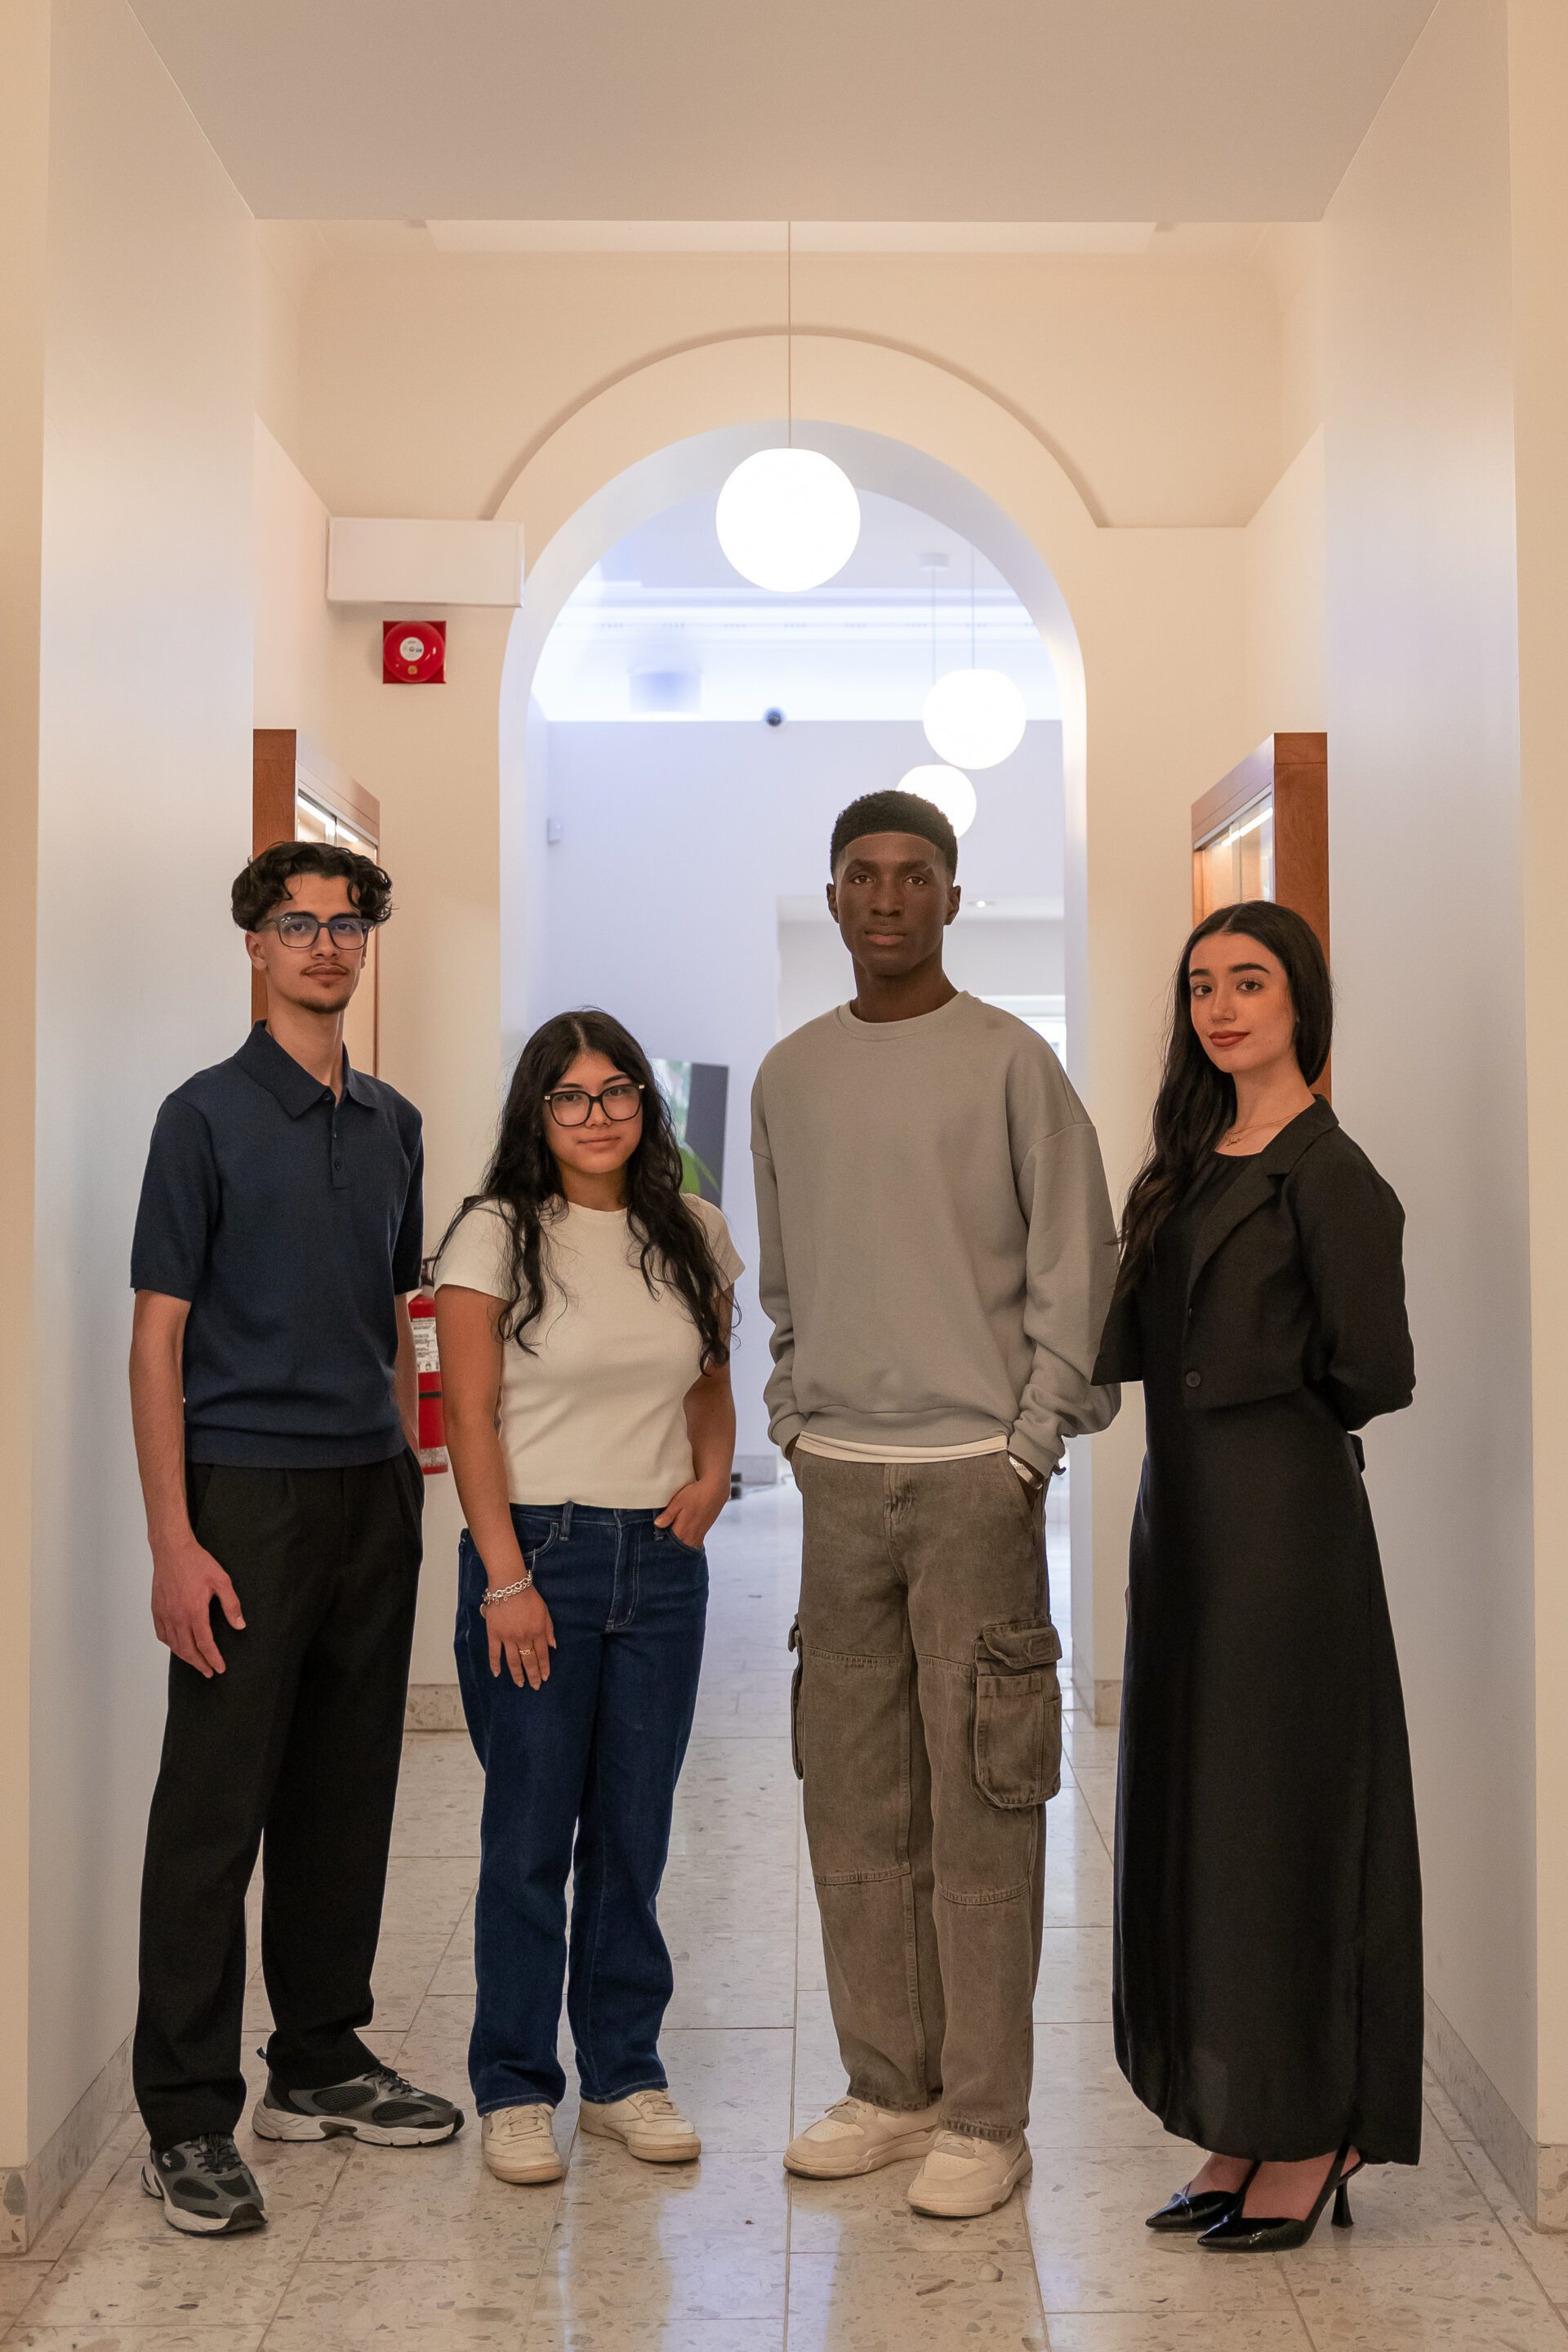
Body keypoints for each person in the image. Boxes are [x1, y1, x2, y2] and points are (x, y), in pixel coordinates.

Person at [751, 787, 1120, 2220]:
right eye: (864, 874)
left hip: (978, 1481)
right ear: (833, 897)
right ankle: (888, 2089)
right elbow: (786, 1278)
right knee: (853, 1802)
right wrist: (794, 1418)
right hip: (838, 1486)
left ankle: (983, 2116)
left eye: (916, 875)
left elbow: (1077, 1265)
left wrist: (1030, 1446)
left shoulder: (1014, 1062)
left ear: (953, 898)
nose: (888, 897)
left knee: (984, 1801)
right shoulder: (789, 1077)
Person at [128, 840, 461, 2238]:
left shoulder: (393, 1122)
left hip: (368, 1495)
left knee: (346, 1790)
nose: (326, 944)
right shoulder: (201, 1116)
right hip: (243, 1500)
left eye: (346, 924)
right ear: (256, 946)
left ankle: (317, 2059)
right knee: (214, 1814)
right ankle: (185, 2119)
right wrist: (174, 1542)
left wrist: (410, 1476)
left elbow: (397, 1315)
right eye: (297, 923)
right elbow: (157, 1340)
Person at [1095, 900, 1421, 2252]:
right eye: (1201, 987)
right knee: (1201, 1829)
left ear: (1299, 1004)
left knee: (1281, 1830)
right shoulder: (1184, 1159)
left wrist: (1267, 1430)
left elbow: (1375, 1371)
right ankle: (1239, 2121)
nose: (1220, 1008)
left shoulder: (1329, 1172)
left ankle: (1315, 2129)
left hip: (1286, 1542)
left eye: (1248, 982)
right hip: (1183, 1530)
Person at [434, 1009, 742, 2187]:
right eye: (570, 1097)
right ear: (538, 1113)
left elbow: (707, 1381)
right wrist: (505, 1578)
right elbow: (469, 1419)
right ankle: (516, 2088)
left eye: (617, 1092)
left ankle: (622, 2074)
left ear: (644, 1106)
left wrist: (712, 1477)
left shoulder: (692, 1230)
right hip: (538, 1556)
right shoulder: (494, 1235)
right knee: (528, 1837)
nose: (598, 1115)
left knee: (633, 1831)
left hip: (660, 1561)